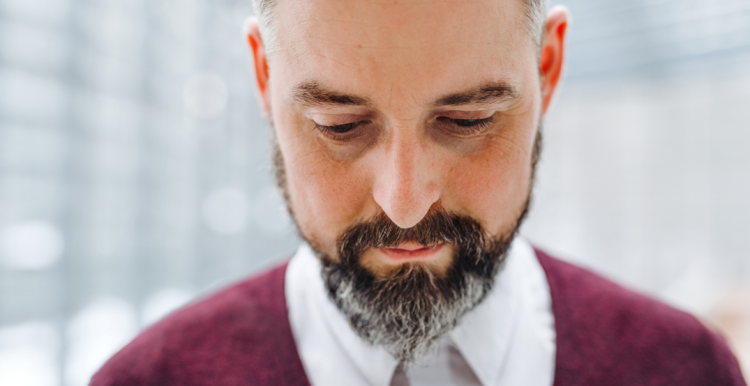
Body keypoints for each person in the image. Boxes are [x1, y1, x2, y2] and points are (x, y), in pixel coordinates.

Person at [91, 0, 747, 385]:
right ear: (265, 77)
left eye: (468, 121)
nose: (404, 201)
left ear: (545, 69)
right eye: (339, 127)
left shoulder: (684, 370)